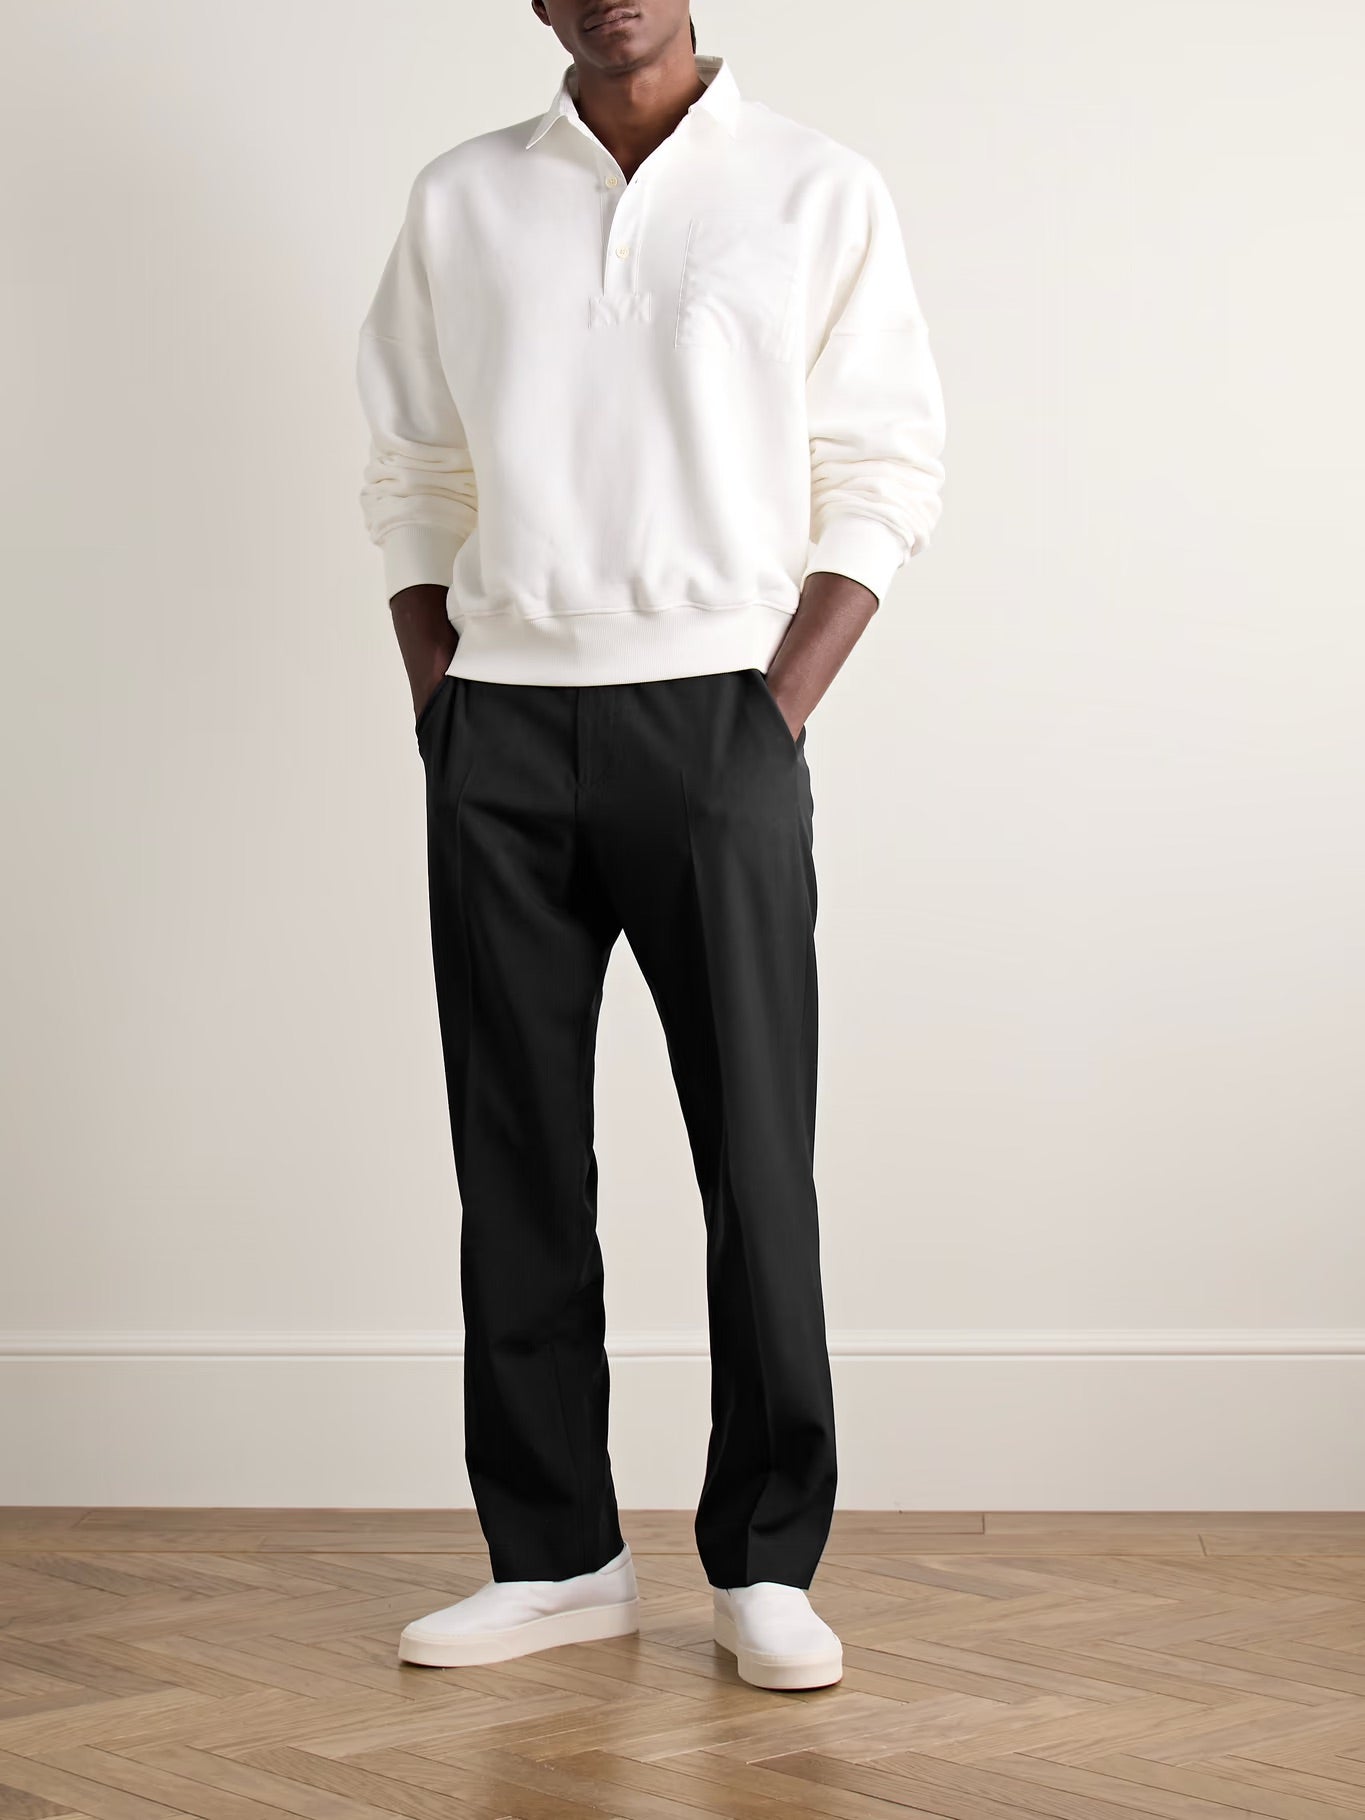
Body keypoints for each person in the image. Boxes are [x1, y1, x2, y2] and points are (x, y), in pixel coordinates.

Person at [355, 0, 945, 1692]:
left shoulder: (815, 186)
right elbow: (412, 460)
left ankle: (764, 1563)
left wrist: (774, 708)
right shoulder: (461, 196)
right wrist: (442, 690)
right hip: (501, 726)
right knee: (514, 1156)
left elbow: (884, 461)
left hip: (717, 724)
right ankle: (555, 1558)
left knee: (755, 1153)